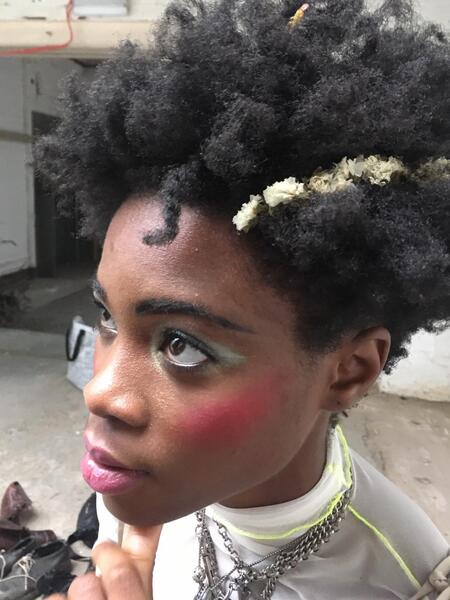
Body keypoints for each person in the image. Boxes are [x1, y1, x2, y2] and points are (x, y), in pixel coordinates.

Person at [37, 0, 450, 598]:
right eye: (107, 316)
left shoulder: (406, 582)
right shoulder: (134, 491)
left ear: (349, 370)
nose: (99, 391)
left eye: (182, 345)